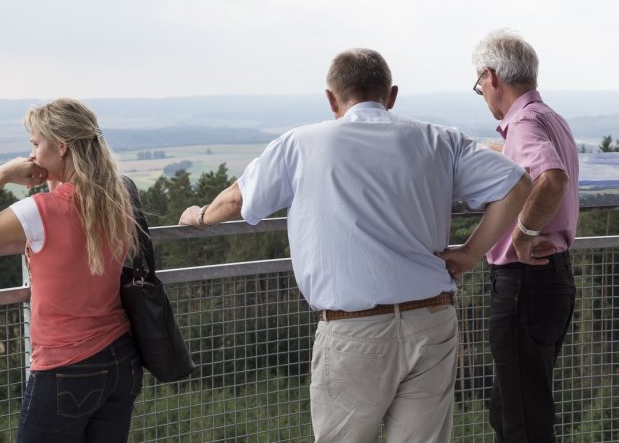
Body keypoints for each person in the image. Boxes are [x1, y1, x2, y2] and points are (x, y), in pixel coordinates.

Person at [180, 48, 532, 442]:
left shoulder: (300, 144)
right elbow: (518, 184)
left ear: (332, 99)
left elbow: (236, 200)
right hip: (432, 320)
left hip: (353, 332)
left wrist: (199, 215)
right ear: (391, 95)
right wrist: (470, 253)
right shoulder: (439, 140)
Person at [0, 98, 143, 443]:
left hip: (66, 366)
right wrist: (54, 178)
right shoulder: (118, 197)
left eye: (36, 144)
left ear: (61, 147)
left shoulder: (39, 211)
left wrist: (0, 175)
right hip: (121, 358)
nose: (32, 155)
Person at [443, 30, 579, 442]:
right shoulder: (550, 118)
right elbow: (544, 169)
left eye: (479, 83)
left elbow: (552, 179)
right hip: (551, 280)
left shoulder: (522, 124)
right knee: (510, 408)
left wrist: (523, 232)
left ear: (492, 76)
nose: (482, 91)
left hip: (525, 281)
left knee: (522, 419)